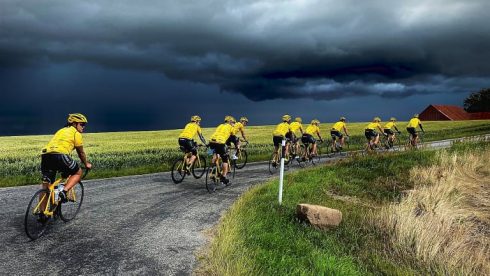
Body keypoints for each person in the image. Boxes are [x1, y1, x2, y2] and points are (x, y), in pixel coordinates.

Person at [40, 113, 92, 213]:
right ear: (74, 124)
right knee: (78, 172)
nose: (84, 127)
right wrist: (86, 164)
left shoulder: (61, 130)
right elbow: (81, 153)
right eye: (82, 124)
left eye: (84, 124)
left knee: (46, 184)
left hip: (45, 155)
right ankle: (63, 192)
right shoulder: (76, 133)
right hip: (60, 155)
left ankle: (42, 213)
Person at [208, 116, 236, 185]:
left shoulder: (220, 125)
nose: (234, 124)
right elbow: (233, 138)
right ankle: (223, 177)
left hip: (211, 142)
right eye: (233, 122)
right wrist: (237, 146)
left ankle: (213, 169)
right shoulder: (231, 127)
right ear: (230, 122)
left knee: (216, 154)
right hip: (220, 143)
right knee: (225, 160)